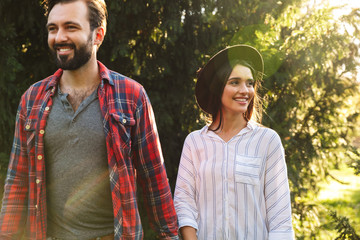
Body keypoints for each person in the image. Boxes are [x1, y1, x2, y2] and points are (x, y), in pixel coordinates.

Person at [0, 0, 179, 239]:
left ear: (98, 35)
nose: (59, 37)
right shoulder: (32, 99)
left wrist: (170, 235)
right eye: (53, 29)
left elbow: (154, 180)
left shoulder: (132, 95)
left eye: (70, 27)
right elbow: (17, 182)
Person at [174, 45, 294, 240]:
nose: (245, 90)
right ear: (218, 87)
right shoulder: (195, 142)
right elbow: (184, 202)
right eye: (235, 82)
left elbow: (280, 216)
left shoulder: (267, 141)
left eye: (249, 83)